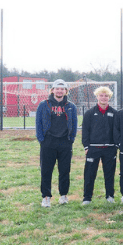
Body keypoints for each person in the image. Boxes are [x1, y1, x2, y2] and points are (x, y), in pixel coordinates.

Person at [36, 79, 78, 207]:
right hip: (48, 142)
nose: (59, 91)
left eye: (62, 89)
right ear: (52, 90)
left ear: (66, 91)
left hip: (65, 142)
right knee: (46, 171)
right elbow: (38, 123)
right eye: (57, 88)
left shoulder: (71, 106)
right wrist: (42, 139)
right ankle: (46, 197)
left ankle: (63, 195)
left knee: (64, 170)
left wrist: (71, 139)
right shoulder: (44, 104)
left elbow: (74, 124)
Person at [81, 86, 118, 205]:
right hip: (93, 148)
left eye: (106, 96)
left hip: (109, 148)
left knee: (109, 174)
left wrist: (116, 146)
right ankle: (87, 198)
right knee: (89, 174)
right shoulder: (89, 113)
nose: (103, 98)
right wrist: (86, 146)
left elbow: (117, 131)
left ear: (109, 97)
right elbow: (85, 131)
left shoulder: (114, 113)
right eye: (101, 95)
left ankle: (110, 196)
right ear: (97, 96)